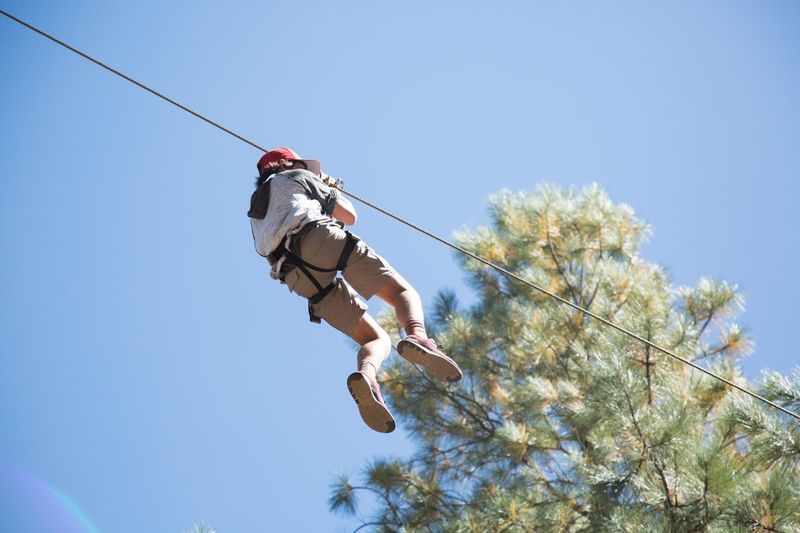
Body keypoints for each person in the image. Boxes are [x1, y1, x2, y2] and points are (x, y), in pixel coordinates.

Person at [249, 147, 462, 433]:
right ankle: (418, 338)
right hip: (318, 238)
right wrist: (325, 187)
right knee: (403, 293)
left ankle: (368, 377)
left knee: (376, 340)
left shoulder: (255, 214)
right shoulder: (296, 176)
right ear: (288, 162)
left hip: (297, 276)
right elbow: (349, 215)